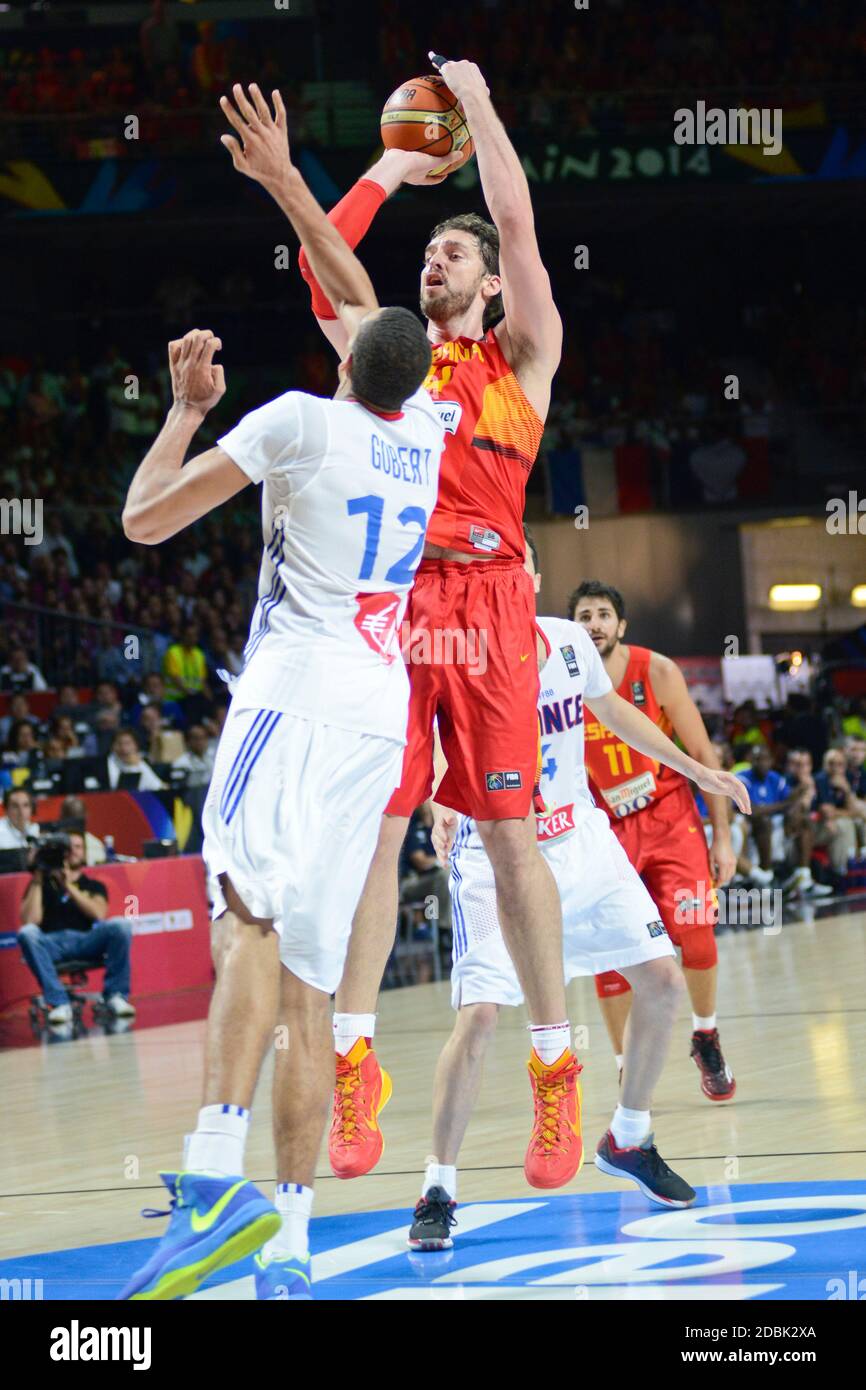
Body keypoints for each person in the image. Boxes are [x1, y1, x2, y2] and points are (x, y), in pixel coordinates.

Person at [117, 85, 444, 1302]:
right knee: (307, 983)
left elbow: (145, 521)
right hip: (375, 713)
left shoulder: (299, 420)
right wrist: (316, 190)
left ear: (346, 352)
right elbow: (354, 287)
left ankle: (210, 1189)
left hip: (293, 697)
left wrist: (185, 414)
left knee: (241, 927)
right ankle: (295, 1248)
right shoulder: (431, 427)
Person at [285, 56, 570, 1182]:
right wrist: (390, 168)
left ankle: (554, 1074)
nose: (432, 257)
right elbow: (322, 271)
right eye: (426, 250)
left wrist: (483, 105)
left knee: (508, 836)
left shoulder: (523, 358)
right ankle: (355, 1064)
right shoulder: (387, 362)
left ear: (489, 285)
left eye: (452, 254)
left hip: (494, 605)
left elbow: (513, 215)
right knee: (376, 827)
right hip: (396, 606)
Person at [411, 536, 749, 1244]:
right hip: (496, 855)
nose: (499, 576)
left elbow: (613, 712)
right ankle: (437, 1188)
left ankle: (629, 1134)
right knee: (476, 1022)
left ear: (529, 576)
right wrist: (437, 798)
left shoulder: (567, 641)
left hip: (583, 845)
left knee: (661, 981)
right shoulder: (454, 646)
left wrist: (697, 770)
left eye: (512, 565)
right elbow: (432, 731)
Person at [571, 580, 740, 1102]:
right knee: (610, 951)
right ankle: (626, 1066)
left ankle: (706, 1034)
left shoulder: (658, 672)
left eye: (603, 614)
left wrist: (723, 837)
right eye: (583, 616)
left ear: (621, 627)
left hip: (669, 819)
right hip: (605, 828)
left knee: (695, 929)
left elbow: (703, 757)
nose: (593, 623)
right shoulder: (561, 680)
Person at [17, 830, 134, 1025]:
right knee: (27, 933)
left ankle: (116, 996)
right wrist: (38, 878)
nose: (73, 851)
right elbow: (30, 920)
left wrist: (67, 885)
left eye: (78, 847)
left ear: (84, 853)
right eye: (68, 847)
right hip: (52, 942)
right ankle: (59, 1002)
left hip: (86, 940)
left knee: (120, 925)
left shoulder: (93, 885)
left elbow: (98, 913)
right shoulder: (41, 884)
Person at [812, 747, 866, 875]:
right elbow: (828, 812)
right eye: (831, 763)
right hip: (816, 826)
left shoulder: (846, 778)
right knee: (845, 823)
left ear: (845, 766)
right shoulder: (821, 779)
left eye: (840, 764)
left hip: (832, 822)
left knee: (861, 821)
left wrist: (846, 790)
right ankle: (843, 870)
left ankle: (861, 865)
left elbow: (856, 809)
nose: (835, 767)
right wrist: (852, 813)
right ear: (824, 764)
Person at [60, 794, 107, 866]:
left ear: (61, 817)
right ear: (86, 816)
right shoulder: (96, 844)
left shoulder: (95, 844)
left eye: (78, 847)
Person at [0, 786, 40, 850]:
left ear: (32, 809)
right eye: (15, 806)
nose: (21, 812)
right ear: (6, 810)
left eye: (25, 805)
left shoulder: (34, 829)